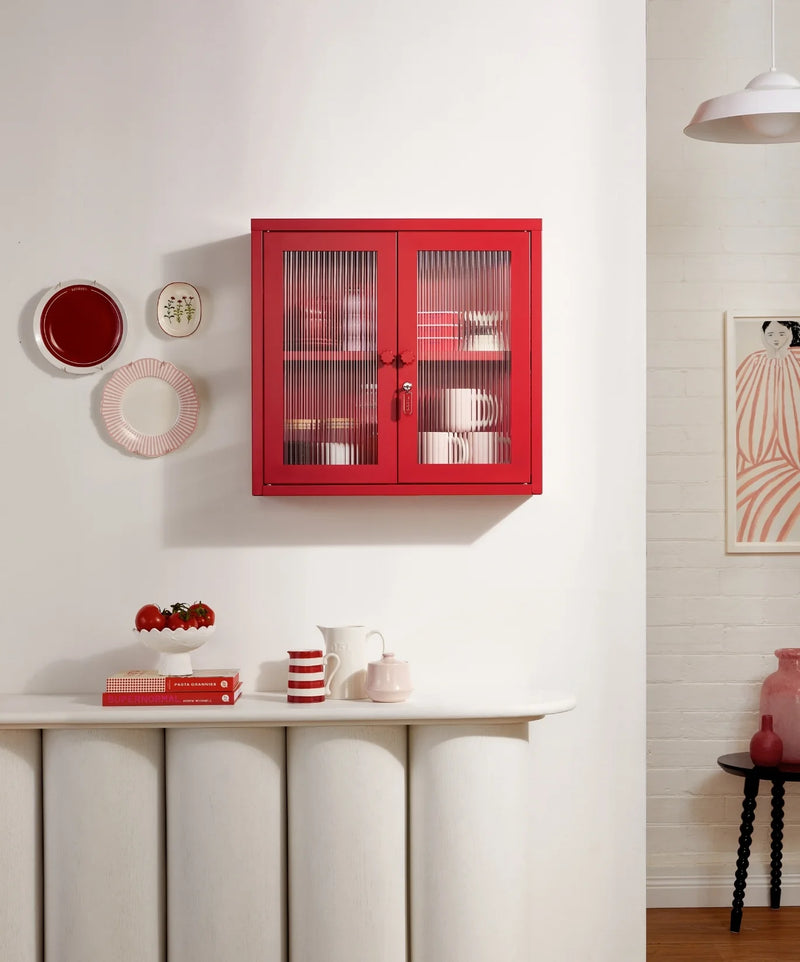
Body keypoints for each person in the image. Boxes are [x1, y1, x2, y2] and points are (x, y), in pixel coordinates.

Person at [735, 319, 800, 542]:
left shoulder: (797, 361)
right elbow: (741, 402)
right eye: (771, 333)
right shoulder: (753, 362)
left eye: (781, 334)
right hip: (756, 447)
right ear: (763, 335)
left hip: (791, 451)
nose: (776, 339)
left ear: (791, 334)